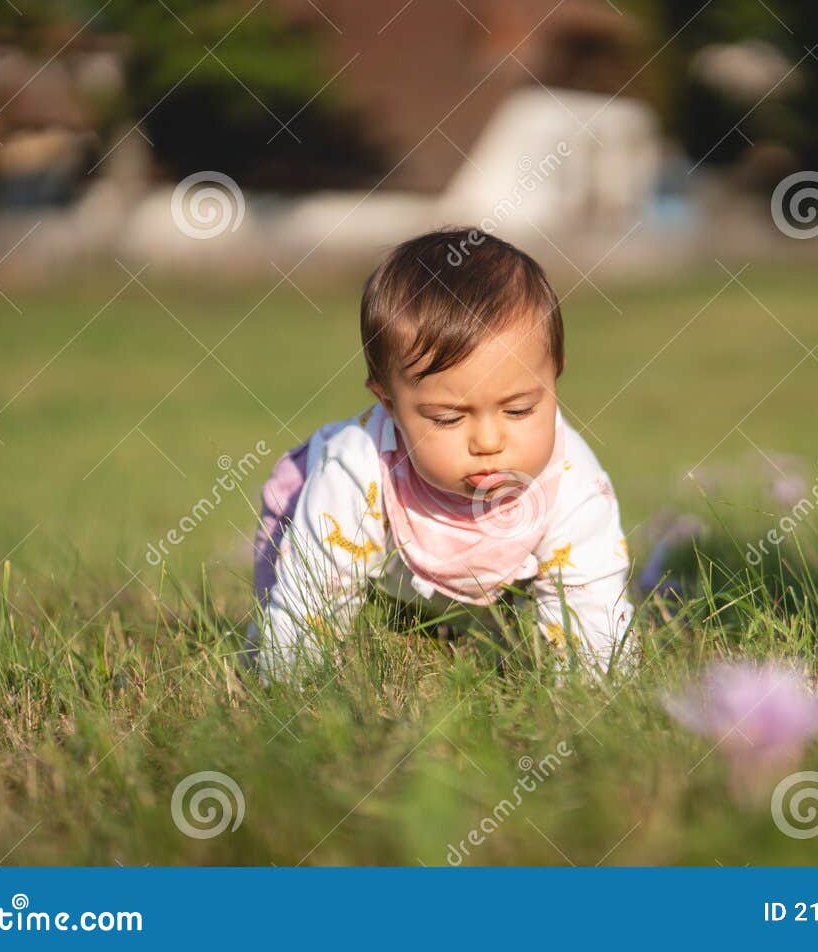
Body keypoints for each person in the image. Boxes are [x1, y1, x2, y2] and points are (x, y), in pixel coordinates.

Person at [249, 227, 636, 683]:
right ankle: (398, 623)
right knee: (315, 598)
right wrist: (290, 687)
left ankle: (471, 628)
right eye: (449, 418)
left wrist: (589, 692)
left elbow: (590, 603)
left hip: (489, 582)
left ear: (554, 379)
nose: (489, 441)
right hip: (373, 563)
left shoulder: (570, 479)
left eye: (519, 409)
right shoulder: (357, 469)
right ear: (390, 404)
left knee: (504, 634)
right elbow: (309, 601)